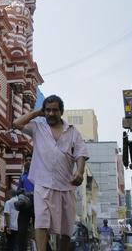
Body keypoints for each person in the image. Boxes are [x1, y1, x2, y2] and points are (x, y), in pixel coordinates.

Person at [12, 94, 90, 251]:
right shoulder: (37, 127)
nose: (51, 113)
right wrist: (36, 113)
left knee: (66, 230)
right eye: (47, 110)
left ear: (61, 111)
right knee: (41, 221)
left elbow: (80, 154)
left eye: (55, 110)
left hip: (66, 186)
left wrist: (80, 172)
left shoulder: (73, 132)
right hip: (43, 185)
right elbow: (16, 123)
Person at [16, 154, 34, 251]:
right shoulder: (22, 176)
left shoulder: (38, 174)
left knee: (38, 230)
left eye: (30, 160)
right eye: (26, 160)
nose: (28, 161)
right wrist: (21, 191)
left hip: (36, 205)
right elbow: (18, 191)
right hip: (24, 204)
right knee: (21, 231)